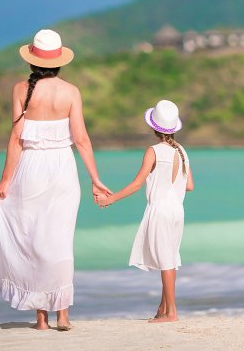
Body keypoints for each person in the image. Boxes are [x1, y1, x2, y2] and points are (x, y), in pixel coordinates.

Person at [0, 28, 111, 331]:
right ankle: (64, 314)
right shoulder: (71, 92)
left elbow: (16, 139)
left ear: (31, 61)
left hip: (30, 169)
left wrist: (5, 180)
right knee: (59, 242)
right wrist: (95, 179)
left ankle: (41, 318)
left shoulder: (20, 89)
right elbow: (81, 139)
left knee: (32, 241)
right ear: (59, 61)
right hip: (62, 170)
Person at [95, 99, 194, 323]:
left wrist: (109, 199)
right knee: (169, 257)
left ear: (153, 127)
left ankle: (172, 313)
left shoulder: (154, 151)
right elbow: (189, 185)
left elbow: (136, 184)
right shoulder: (182, 151)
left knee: (166, 260)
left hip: (160, 209)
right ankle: (163, 307)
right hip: (178, 209)